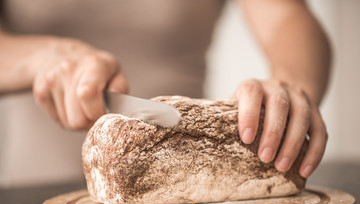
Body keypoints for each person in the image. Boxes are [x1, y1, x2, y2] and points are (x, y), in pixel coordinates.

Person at [0, 0, 330, 187]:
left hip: (188, 189)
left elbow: (287, 18)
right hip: (32, 190)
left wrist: (290, 83)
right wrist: (40, 57)